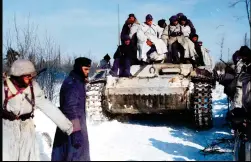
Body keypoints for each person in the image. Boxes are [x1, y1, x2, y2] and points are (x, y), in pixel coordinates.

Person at [2, 59, 74, 161]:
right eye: (28, 76)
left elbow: (48, 106)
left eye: (31, 76)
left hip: (26, 130)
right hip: (7, 130)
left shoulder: (33, 87)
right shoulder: (5, 88)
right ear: (18, 76)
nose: (31, 79)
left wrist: (67, 126)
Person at [51, 57, 92, 161]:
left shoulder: (77, 81)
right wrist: (76, 132)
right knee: (74, 155)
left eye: (89, 69)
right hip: (72, 126)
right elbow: (70, 109)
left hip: (74, 124)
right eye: (85, 69)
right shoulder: (73, 84)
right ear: (79, 68)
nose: (88, 72)